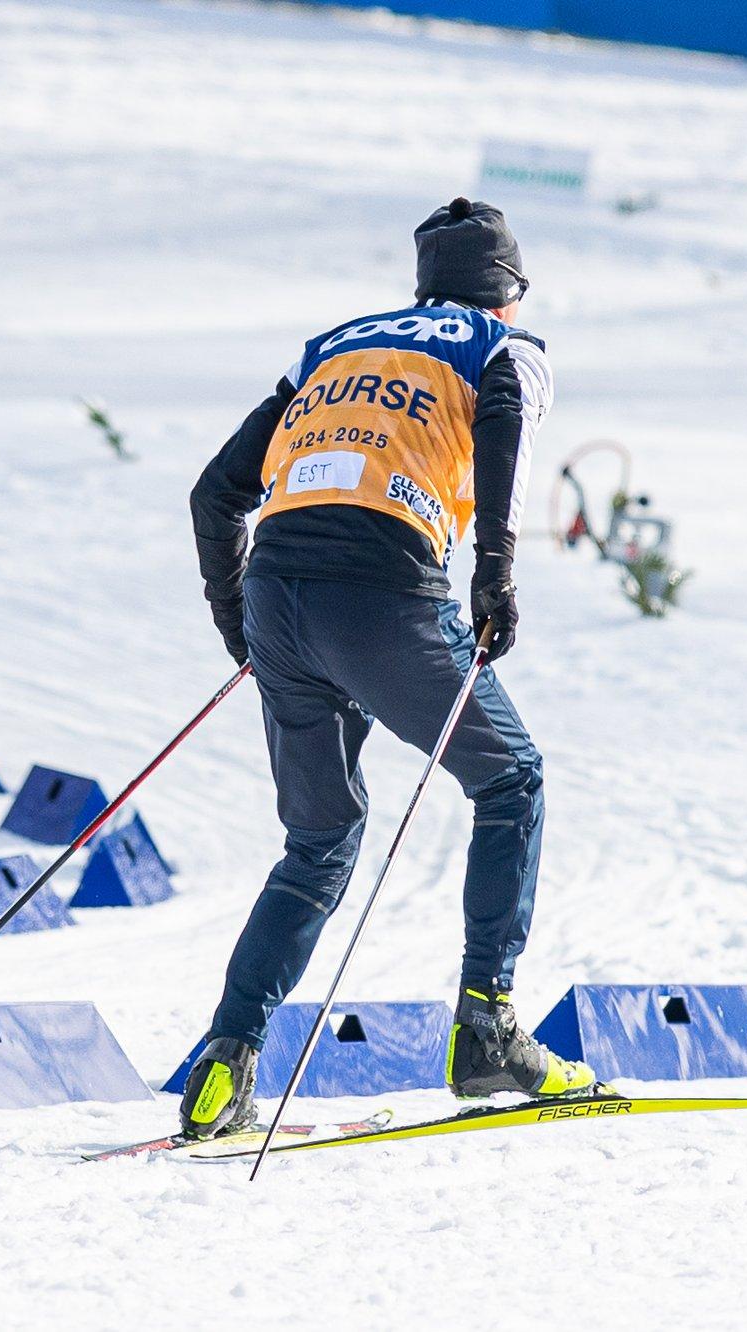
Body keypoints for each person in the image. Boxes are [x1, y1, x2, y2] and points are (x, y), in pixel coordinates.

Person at [177, 197, 594, 1141]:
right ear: (510, 289)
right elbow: (504, 425)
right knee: (511, 778)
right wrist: (496, 577)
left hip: (278, 593)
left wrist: (237, 622)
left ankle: (224, 1063)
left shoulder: (334, 343)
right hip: (383, 593)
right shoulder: (503, 344)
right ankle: (486, 1025)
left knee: (319, 841)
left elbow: (215, 491)